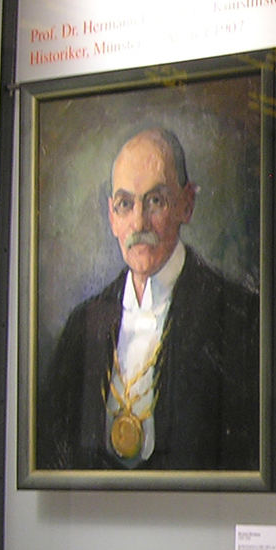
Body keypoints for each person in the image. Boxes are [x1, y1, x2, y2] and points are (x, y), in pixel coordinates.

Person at [39, 127, 259, 472]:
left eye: (155, 201)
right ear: (112, 217)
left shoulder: (239, 317)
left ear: (187, 204)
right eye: (125, 204)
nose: (139, 222)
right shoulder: (83, 324)